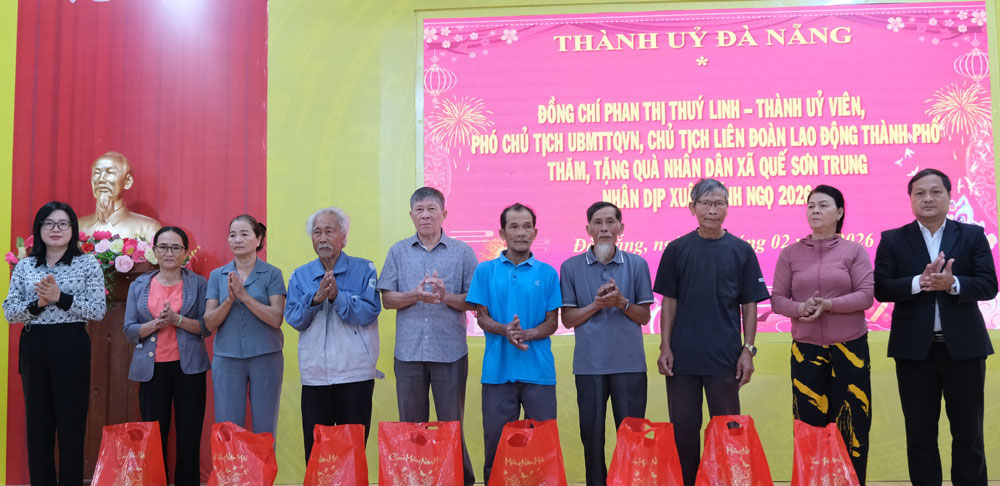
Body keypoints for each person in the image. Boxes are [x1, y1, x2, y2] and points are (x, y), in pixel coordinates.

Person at [874, 168, 996, 486]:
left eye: (935, 192)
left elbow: (989, 285)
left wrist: (952, 283)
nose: (928, 198)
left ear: (948, 195)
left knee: (969, 435)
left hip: (964, 351)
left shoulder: (972, 235)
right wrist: (920, 282)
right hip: (915, 353)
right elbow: (882, 288)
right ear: (911, 199)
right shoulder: (892, 239)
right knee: (920, 436)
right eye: (920, 193)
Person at [653, 178, 770, 486]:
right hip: (682, 359)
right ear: (692, 208)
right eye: (705, 203)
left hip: (725, 359)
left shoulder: (742, 251)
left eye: (719, 203)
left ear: (727, 209)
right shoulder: (677, 249)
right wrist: (665, 347)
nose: (712, 210)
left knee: (728, 431)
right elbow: (669, 302)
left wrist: (748, 350)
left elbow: (750, 305)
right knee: (684, 432)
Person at [770, 185, 874, 484]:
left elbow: (866, 296)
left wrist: (829, 305)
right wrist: (801, 307)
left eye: (823, 205)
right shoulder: (790, 254)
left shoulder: (854, 251)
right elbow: (778, 300)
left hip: (850, 349)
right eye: (811, 205)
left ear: (839, 212)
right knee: (808, 425)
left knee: (853, 425)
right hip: (806, 350)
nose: (815, 211)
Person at [376, 186, 478, 485]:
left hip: (450, 354)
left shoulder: (463, 252)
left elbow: (474, 301)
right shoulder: (398, 251)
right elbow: (388, 300)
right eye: (419, 210)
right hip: (408, 354)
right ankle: (414, 480)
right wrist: (414, 295)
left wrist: (446, 296)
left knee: (451, 425)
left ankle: (459, 480)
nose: (425, 215)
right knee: (412, 428)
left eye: (431, 209)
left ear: (444, 214)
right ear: (411, 215)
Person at [3, 201, 106, 486]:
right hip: (35, 346)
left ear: (73, 229)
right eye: (49, 223)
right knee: (38, 426)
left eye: (63, 223)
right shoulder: (25, 266)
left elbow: (98, 310)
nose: (56, 229)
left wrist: (61, 297)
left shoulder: (87, 263)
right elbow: (10, 312)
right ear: (39, 229)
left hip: (71, 345)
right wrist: (38, 303)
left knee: (71, 425)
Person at [559, 201, 654, 486]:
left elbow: (644, 316)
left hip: (630, 366)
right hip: (589, 367)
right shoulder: (570, 267)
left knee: (633, 438)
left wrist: (621, 302)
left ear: (620, 228)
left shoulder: (637, 264)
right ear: (588, 229)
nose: (604, 228)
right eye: (598, 223)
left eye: (610, 222)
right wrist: (597, 305)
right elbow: (568, 319)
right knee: (592, 438)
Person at [466, 203, 561, 484]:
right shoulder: (484, 271)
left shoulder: (548, 273)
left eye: (526, 226)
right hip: (497, 373)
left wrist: (526, 334)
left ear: (535, 231)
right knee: (496, 449)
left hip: (540, 375)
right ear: (502, 233)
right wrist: (505, 330)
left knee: (542, 448)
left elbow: (552, 322)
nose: (521, 233)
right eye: (514, 227)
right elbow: (481, 317)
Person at [284, 207, 381, 461]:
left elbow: (369, 312)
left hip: (355, 373)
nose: (323, 238)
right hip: (315, 376)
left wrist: (339, 297)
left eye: (329, 231)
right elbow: (294, 318)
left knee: (353, 451)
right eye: (317, 232)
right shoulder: (300, 275)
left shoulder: (364, 269)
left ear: (344, 236)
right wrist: (315, 299)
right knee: (318, 453)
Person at [123, 226, 209, 486]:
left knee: (189, 437)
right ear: (154, 251)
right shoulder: (139, 285)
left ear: (185, 252)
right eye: (163, 247)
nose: (169, 253)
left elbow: (206, 326)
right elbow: (129, 330)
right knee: (154, 437)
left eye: (175, 247)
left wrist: (177, 320)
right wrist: (156, 325)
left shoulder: (198, 283)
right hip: (152, 370)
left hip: (189, 369)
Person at [205, 214, 286, 435]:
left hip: (266, 356)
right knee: (227, 429)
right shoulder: (217, 276)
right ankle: (231, 471)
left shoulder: (272, 274)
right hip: (227, 358)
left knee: (265, 428)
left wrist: (245, 296)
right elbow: (209, 322)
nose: (237, 239)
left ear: (258, 239)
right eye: (232, 235)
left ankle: (264, 471)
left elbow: (276, 318)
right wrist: (229, 301)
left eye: (244, 234)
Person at [78, 151, 162, 240]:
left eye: (110, 172)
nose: (101, 179)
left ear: (128, 181)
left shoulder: (148, 229)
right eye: (97, 173)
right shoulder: (77, 226)